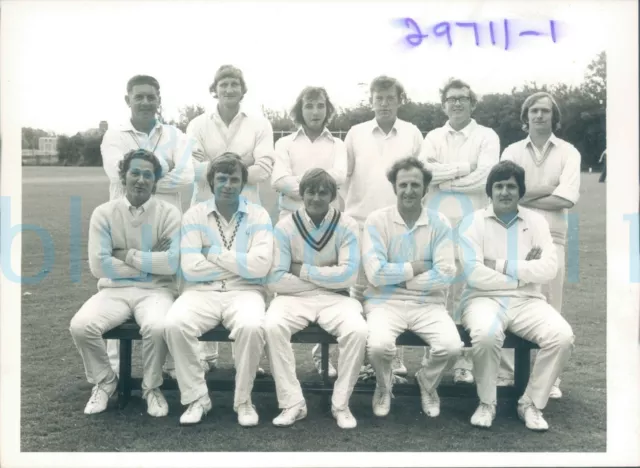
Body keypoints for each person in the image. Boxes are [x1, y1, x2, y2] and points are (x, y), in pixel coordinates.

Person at [457, 160, 574, 430]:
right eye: (498, 186)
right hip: (481, 298)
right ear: (490, 191)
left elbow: (548, 268)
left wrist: (499, 265)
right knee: (486, 335)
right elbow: (473, 274)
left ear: (520, 191)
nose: (505, 192)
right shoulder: (471, 223)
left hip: (528, 300)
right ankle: (487, 402)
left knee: (562, 336)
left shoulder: (537, 222)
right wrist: (525, 272)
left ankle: (531, 403)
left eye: (511, 186)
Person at [163, 153, 273, 426]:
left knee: (251, 326)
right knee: (175, 323)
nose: (228, 184)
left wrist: (211, 252)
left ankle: (243, 400)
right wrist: (240, 264)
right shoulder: (195, 214)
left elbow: (261, 266)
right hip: (201, 291)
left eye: (234, 179)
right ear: (211, 181)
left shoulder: (258, 214)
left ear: (243, 183)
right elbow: (190, 267)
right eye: (221, 178)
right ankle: (196, 398)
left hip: (246, 292)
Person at [69, 149, 181, 417]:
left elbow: (172, 264)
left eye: (148, 175)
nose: (141, 180)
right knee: (82, 326)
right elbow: (99, 266)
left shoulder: (170, 213)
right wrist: (150, 259)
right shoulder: (104, 213)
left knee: (157, 327)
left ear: (155, 181)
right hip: (113, 290)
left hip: (157, 290)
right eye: (135, 173)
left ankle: (151, 388)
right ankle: (106, 382)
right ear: (123, 176)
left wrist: (125, 255)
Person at [100, 74, 195, 379]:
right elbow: (118, 175)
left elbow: (188, 176)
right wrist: (161, 170)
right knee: (117, 289)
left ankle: (168, 368)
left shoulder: (175, 135)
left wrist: (141, 173)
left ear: (158, 100)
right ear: (128, 100)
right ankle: (115, 374)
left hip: (164, 223)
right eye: (138, 96)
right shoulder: (114, 135)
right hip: (123, 221)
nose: (145, 102)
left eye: (151, 97)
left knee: (167, 291)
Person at [187, 65, 275, 372]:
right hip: (206, 206)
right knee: (207, 279)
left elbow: (264, 169)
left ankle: (250, 359)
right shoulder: (198, 124)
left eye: (234, 84)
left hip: (248, 208)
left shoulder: (260, 124)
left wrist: (217, 168)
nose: (228, 89)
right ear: (215, 89)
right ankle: (207, 356)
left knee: (248, 277)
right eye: (223, 84)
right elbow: (191, 169)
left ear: (242, 89)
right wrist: (239, 166)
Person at [264, 168, 367, 429]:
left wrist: (302, 270)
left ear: (333, 195)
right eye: (311, 191)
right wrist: (325, 276)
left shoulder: (348, 224)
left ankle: (340, 404)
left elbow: (349, 276)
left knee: (357, 330)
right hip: (293, 299)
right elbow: (275, 279)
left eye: (323, 192)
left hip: (336, 298)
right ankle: (293, 403)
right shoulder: (285, 225)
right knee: (272, 326)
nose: (316, 198)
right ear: (302, 194)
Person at [362, 157, 463, 418]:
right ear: (394, 187)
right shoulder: (376, 220)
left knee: (451, 347)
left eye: (415, 185)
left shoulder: (439, 222)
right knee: (378, 347)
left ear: (425, 188)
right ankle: (384, 386)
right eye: (403, 184)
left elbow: (445, 274)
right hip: (384, 302)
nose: (409, 191)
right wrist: (416, 267)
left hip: (428, 302)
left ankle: (427, 382)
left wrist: (399, 277)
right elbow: (374, 273)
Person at [342, 75, 425, 377]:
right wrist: (355, 211)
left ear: (400, 100)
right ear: (371, 101)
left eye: (391, 98)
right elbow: (344, 176)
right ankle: (361, 360)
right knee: (360, 290)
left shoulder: (413, 133)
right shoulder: (355, 133)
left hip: (398, 223)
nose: (385, 103)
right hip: (361, 222)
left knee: (393, 290)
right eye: (380, 98)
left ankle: (394, 359)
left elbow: (419, 176)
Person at [500, 92, 581, 398]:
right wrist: (547, 188)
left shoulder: (568, 151)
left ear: (553, 116)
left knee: (550, 308)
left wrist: (524, 193)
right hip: (514, 234)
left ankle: (550, 381)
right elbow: (502, 193)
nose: (539, 116)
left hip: (554, 239)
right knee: (511, 301)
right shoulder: (512, 150)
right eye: (534, 110)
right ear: (526, 116)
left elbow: (567, 197)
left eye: (545, 111)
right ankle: (507, 374)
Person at [420, 78, 500, 385]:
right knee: (439, 292)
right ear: (443, 104)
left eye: (463, 99)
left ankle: (465, 362)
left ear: (472, 103)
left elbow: (486, 177)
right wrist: (463, 167)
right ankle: (436, 354)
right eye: (451, 99)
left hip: (474, 224)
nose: (457, 103)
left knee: (468, 292)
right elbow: (425, 171)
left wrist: (446, 180)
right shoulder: (434, 135)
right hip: (438, 226)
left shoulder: (486, 135)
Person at [271, 86, 348, 378]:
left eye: (320, 106)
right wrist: (316, 191)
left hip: (328, 221)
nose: (315, 112)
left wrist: (307, 190)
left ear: (327, 109)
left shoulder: (337, 144)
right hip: (291, 220)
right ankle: (283, 362)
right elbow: (278, 179)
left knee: (327, 287)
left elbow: (339, 177)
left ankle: (322, 357)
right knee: (289, 285)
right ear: (299, 110)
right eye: (309, 106)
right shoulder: (286, 143)